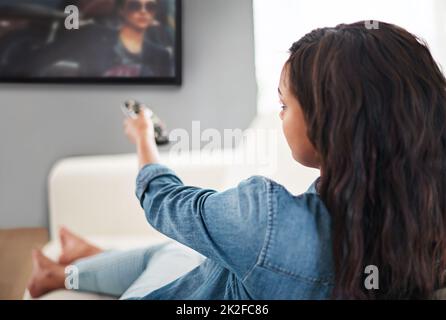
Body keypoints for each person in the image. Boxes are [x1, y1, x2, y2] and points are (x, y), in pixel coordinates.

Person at [28, 21, 446, 300]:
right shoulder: (425, 227)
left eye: (285, 104)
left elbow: (161, 198)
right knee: (188, 255)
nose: (280, 115)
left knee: (172, 255)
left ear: (330, 119)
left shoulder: (266, 221)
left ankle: (64, 274)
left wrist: (142, 136)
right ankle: (83, 257)